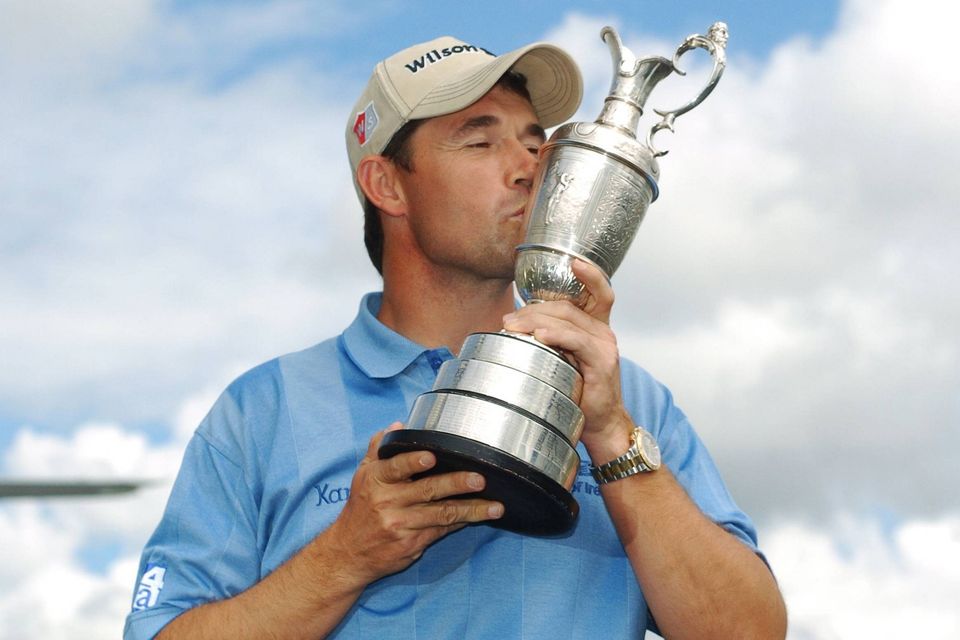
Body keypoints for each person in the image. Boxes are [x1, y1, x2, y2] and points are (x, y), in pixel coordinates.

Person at [124, 34, 786, 640]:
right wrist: (344, 556)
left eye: (534, 142)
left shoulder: (630, 400)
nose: (530, 167)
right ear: (387, 184)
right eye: (480, 141)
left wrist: (612, 440)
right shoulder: (262, 411)